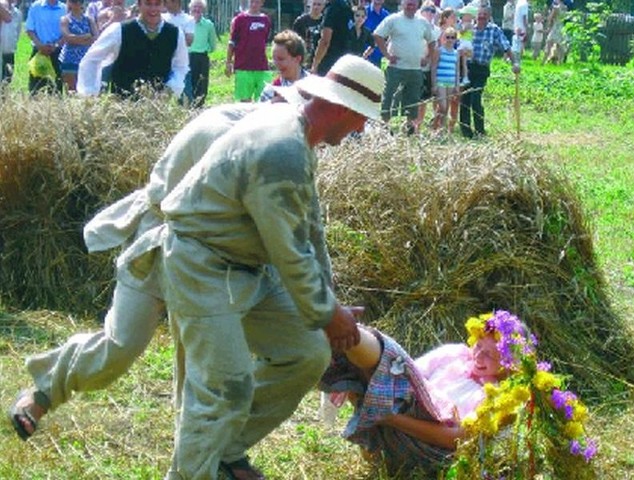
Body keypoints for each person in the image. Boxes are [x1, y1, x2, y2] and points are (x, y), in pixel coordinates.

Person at [114, 54, 381, 480]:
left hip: (242, 268)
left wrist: (329, 306)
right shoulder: (282, 149)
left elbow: (310, 230)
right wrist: (329, 315)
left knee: (306, 352)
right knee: (225, 387)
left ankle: (225, 452)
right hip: (200, 263)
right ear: (343, 108)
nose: (362, 128)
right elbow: (290, 253)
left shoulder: (298, 136)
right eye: (362, 117)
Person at [7, 88, 307, 449]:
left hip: (222, 264)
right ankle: (42, 394)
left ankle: (213, 455)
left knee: (204, 363)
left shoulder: (286, 150)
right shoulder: (216, 129)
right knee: (120, 345)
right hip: (162, 240)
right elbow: (167, 196)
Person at [319, 310, 531, 475]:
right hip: (401, 406)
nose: (478, 356)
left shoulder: (494, 397)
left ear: (508, 366)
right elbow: (409, 373)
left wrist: (391, 418)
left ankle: (347, 331)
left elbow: (457, 440)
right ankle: (339, 333)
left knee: (387, 357)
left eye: (490, 356)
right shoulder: (454, 354)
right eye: (478, 346)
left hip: (424, 445)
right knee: (381, 365)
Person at [77, 0, 189, 98]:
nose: (153, 8)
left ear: (163, 5)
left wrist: (171, 88)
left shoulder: (175, 33)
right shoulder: (119, 30)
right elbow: (91, 59)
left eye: (157, 4)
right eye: (148, 3)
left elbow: (181, 66)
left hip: (158, 108)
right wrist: (89, 93)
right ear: (139, 4)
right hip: (122, 107)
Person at [374, 0, 436, 135]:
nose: (410, 4)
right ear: (402, 3)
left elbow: (432, 41)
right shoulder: (393, 19)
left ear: (417, 5)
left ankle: (409, 129)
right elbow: (377, 35)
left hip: (415, 70)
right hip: (396, 68)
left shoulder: (422, 22)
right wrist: (387, 55)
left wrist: (428, 58)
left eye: (413, 2)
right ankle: (385, 128)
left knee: (413, 101)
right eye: (408, 2)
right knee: (389, 98)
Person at [459, 7, 519, 139]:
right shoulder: (469, 29)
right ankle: (465, 131)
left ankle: (480, 131)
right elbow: (459, 45)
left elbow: (506, 46)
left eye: (484, 14)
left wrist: (515, 63)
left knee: (475, 98)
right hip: (467, 68)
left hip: (482, 69)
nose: (481, 17)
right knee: (464, 100)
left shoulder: (494, 30)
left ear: (489, 16)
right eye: (479, 14)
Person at [225, 0, 271, 102]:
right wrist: (228, 62)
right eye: (252, 2)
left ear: (262, 3)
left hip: (261, 66)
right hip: (243, 66)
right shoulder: (240, 19)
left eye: (257, 2)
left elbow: (266, 41)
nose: (254, 4)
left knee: (264, 102)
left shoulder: (266, 20)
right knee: (245, 103)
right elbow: (232, 42)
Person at [25, 0, 66, 93]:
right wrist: (40, 45)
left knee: (56, 87)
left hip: (57, 53)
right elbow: (29, 29)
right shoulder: (36, 6)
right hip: (39, 52)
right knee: (35, 88)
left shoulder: (64, 8)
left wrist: (55, 45)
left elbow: (67, 32)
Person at [59, 0, 98, 92]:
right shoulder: (65, 19)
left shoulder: (89, 20)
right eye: (74, 1)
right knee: (71, 90)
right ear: (69, 3)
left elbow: (95, 37)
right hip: (70, 59)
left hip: (86, 58)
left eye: (80, 1)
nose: (77, 4)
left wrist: (77, 40)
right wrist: (85, 36)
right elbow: (68, 37)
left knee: (86, 90)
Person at [259, 29, 308, 102]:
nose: (276, 63)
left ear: (297, 59)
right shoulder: (270, 92)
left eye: (281, 59)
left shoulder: (316, 88)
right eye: (274, 59)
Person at [413, 1, 440, 132]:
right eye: (427, 10)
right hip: (414, 67)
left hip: (429, 69)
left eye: (433, 10)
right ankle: (411, 126)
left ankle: (418, 127)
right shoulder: (415, 26)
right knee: (413, 99)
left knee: (423, 101)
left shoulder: (437, 31)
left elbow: (437, 50)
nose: (430, 13)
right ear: (421, 11)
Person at [162, 0, 195, 103]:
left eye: (167, 2)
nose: (165, 4)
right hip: (164, 62)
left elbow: (189, 40)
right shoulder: (162, 18)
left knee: (185, 97)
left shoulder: (189, 19)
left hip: (181, 63)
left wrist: (168, 37)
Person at [310, 0, 352, 75]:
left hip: (328, 61)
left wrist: (315, 64)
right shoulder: (347, 6)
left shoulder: (332, 9)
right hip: (344, 61)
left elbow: (325, 41)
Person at [188, 0, 217, 108]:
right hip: (187, 57)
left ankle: (199, 106)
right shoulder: (186, 22)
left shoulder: (208, 25)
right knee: (188, 82)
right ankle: (187, 105)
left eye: (199, 7)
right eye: (195, 7)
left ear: (203, 9)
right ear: (190, 8)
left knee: (202, 83)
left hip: (202, 57)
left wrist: (204, 49)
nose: (197, 9)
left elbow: (213, 44)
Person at [431, 26, 460, 133]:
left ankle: (441, 129)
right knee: (442, 106)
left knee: (446, 107)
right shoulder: (439, 51)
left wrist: (457, 85)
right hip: (440, 81)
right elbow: (434, 67)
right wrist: (434, 84)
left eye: (452, 37)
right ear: (444, 38)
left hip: (451, 82)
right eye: (448, 37)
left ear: (455, 39)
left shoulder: (456, 53)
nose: (450, 40)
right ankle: (435, 125)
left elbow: (457, 70)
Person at [292, 0, 324, 70]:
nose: (316, 7)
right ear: (310, 5)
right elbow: (294, 40)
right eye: (314, 4)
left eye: (319, 5)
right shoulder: (300, 21)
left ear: (323, 6)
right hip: (303, 57)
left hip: (319, 57)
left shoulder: (325, 21)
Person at [0, 0, 22, 85]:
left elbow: (17, 32)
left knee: (6, 82)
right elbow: (7, 18)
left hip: (9, 53)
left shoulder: (17, 13)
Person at [363, 0, 389, 67]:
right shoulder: (363, 12)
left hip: (380, 58)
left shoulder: (386, 16)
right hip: (363, 56)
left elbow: (388, 37)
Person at [543, 0, 566, 64]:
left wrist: (548, 26)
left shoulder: (556, 8)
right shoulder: (565, 7)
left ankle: (544, 61)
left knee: (549, 43)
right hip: (562, 27)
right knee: (560, 46)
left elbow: (550, 18)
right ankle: (560, 62)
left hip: (555, 26)